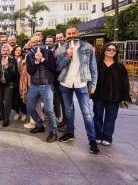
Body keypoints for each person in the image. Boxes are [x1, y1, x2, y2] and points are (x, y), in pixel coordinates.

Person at [57, 26, 99, 154]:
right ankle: (70, 133)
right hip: (66, 82)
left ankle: (92, 139)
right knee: (69, 111)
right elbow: (58, 67)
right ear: (65, 36)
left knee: (86, 112)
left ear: (78, 33)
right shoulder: (62, 49)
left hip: (81, 83)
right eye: (68, 34)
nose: (71, 35)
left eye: (73, 33)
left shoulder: (87, 47)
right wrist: (68, 56)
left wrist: (93, 84)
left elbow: (93, 66)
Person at [92, 43, 131, 146]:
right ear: (104, 50)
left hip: (114, 95)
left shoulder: (120, 66)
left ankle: (107, 137)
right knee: (98, 116)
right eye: (109, 49)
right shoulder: (96, 64)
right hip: (99, 95)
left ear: (116, 52)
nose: (111, 51)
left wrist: (125, 97)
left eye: (114, 50)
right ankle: (97, 135)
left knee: (111, 117)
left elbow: (125, 83)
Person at [26, 36, 58, 143]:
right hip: (34, 85)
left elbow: (53, 68)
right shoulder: (29, 55)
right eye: (34, 42)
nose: (37, 43)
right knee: (30, 107)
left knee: (49, 110)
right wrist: (36, 61)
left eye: (39, 41)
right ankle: (39, 125)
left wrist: (42, 60)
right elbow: (30, 71)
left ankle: (53, 132)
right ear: (31, 44)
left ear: (42, 42)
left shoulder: (48, 53)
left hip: (47, 85)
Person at [0, 44, 18, 127]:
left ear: (9, 51)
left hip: (9, 83)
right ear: (1, 51)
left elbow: (15, 74)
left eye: (7, 51)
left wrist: (7, 66)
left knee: (7, 100)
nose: (5, 52)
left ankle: (6, 118)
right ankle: (2, 114)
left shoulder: (12, 60)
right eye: (3, 50)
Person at [55, 31, 68, 132]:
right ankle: (64, 120)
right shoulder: (57, 49)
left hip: (66, 78)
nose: (59, 39)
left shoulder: (68, 48)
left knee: (67, 103)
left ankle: (68, 124)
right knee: (62, 101)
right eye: (57, 38)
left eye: (60, 37)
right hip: (58, 79)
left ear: (64, 37)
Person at [11, 45, 27, 121]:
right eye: (16, 50)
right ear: (14, 51)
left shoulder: (23, 59)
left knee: (22, 97)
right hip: (13, 81)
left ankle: (24, 113)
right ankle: (17, 112)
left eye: (19, 50)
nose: (18, 51)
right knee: (14, 97)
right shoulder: (10, 59)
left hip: (22, 81)